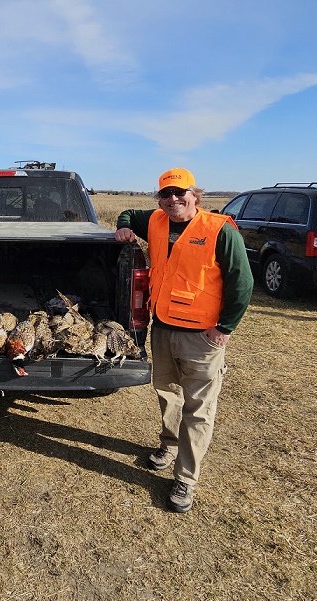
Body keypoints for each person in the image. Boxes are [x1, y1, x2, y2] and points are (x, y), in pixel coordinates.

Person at [114, 168, 253, 512]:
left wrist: (224, 327)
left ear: (195, 194)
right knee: (167, 393)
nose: (173, 200)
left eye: (179, 193)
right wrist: (123, 224)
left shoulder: (220, 230)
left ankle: (185, 480)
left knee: (199, 408)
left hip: (201, 337)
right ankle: (169, 445)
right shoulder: (158, 220)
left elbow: (242, 283)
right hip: (162, 327)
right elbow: (130, 214)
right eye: (165, 194)